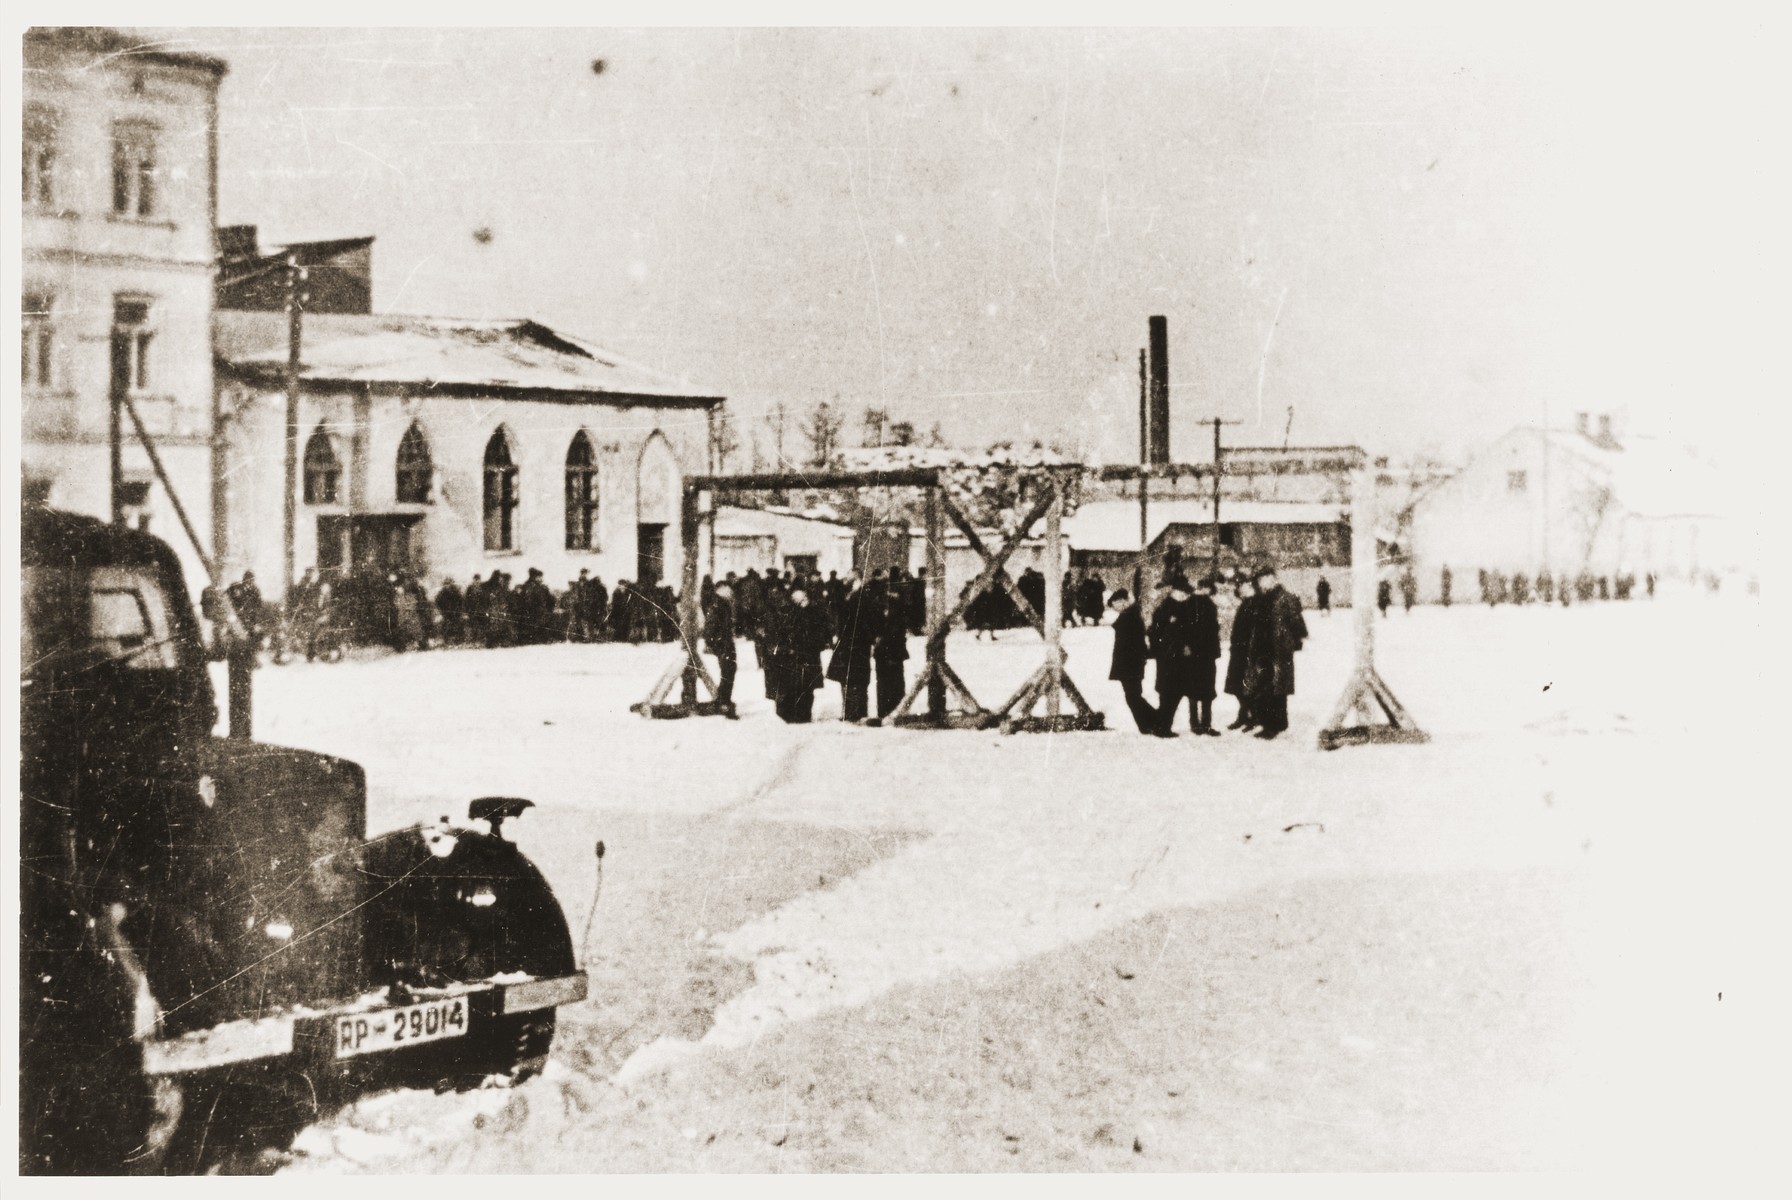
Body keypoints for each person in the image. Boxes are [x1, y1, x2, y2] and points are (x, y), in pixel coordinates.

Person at [1246, 566, 1308, 740]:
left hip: (1278, 649)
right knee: (1265, 686)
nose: (1261, 583)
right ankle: (1273, 723)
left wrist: (1296, 641)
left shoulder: (1285, 598)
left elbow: (1297, 621)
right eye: (1259, 581)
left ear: (1273, 578)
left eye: (1264, 579)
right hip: (1261, 648)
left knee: (1276, 688)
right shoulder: (1261, 598)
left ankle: (1274, 725)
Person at [1107, 588, 1159, 734]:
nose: (1115, 608)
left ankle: (1155, 721)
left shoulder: (1130, 617)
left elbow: (1134, 643)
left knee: (1133, 697)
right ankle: (1151, 722)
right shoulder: (1131, 615)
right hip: (1130, 663)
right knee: (1133, 696)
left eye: (1115, 604)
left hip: (1130, 663)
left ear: (1123, 602)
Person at [775, 585, 830, 724]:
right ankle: (792, 714)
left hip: (808, 654)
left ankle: (803, 715)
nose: (804, 600)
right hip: (794, 656)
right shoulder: (789, 612)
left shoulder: (814, 611)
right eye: (800, 598)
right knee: (794, 686)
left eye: (805, 597)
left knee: (807, 686)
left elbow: (822, 630)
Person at [826, 577, 875, 722]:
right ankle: (857, 711)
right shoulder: (855, 599)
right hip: (855, 646)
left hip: (851, 645)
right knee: (855, 680)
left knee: (850, 680)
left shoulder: (854, 600)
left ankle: (852, 712)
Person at [1224, 577, 1260, 730]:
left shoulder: (1256, 603)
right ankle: (1244, 715)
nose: (1241, 588)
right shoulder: (1245, 603)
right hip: (1238, 650)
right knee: (1237, 685)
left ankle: (1252, 717)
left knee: (1247, 685)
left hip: (1249, 651)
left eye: (1245, 586)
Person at [873, 577, 910, 719]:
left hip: (892, 649)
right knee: (887, 681)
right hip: (886, 650)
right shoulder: (880, 605)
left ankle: (893, 710)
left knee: (893, 681)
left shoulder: (896, 605)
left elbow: (898, 628)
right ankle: (885, 711)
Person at [704, 579, 739, 712]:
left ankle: (724, 700)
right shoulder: (718, 604)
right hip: (723, 643)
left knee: (729, 670)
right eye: (728, 589)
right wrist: (714, 642)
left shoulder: (722, 603)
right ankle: (724, 702)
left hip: (725, 642)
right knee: (728, 671)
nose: (731, 592)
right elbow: (711, 625)